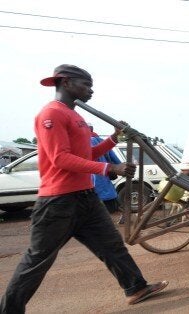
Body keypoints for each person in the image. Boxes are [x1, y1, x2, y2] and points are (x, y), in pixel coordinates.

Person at [0, 64, 168, 313]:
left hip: (85, 198)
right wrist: (109, 169)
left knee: (112, 245)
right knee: (37, 260)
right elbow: (60, 159)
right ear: (66, 82)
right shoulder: (51, 114)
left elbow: (86, 153)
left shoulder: (76, 116)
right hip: (58, 202)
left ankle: (136, 288)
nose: (91, 91)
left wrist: (113, 138)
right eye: (86, 85)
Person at [89, 123, 122, 214]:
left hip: (91, 189)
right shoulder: (100, 140)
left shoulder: (81, 142)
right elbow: (116, 161)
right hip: (105, 187)